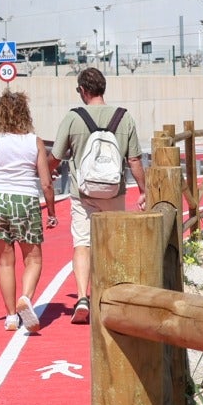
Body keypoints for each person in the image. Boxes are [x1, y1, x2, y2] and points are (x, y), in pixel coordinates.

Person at [52, 66, 147, 324]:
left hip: (83, 194)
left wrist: (47, 174)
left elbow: (56, 155)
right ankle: (111, 296)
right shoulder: (124, 117)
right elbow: (135, 159)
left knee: (82, 243)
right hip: (114, 193)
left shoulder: (73, 118)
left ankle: (83, 296)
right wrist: (143, 190)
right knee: (113, 244)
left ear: (82, 90)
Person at [0, 90, 59, 332]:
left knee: (5, 263)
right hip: (26, 202)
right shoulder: (35, 142)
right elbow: (46, 182)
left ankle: (10, 316)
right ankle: (26, 299)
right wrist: (51, 211)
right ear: (25, 114)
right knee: (34, 259)